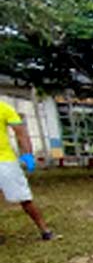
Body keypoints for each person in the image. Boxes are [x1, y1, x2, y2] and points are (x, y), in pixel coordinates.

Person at [0, 100, 57, 242]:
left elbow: (21, 133)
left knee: (24, 197)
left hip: (5, 161)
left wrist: (28, 154)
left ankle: (45, 230)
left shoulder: (4, 108)